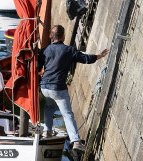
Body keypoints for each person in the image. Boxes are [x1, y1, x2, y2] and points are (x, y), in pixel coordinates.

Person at [38, 24, 109, 152]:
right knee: (67, 114)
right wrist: (99, 56)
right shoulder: (69, 50)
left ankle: (47, 131)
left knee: (49, 107)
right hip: (58, 88)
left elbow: (37, 68)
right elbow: (85, 59)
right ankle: (76, 141)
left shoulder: (44, 50)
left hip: (44, 87)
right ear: (63, 36)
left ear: (50, 36)